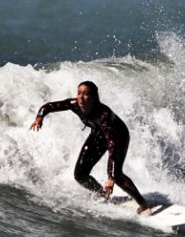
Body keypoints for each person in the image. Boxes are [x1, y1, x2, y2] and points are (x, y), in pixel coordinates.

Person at [29, 81, 150, 213]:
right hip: (98, 134)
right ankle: (103, 195)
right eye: (79, 93)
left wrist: (111, 178)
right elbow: (50, 106)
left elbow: (112, 144)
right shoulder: (74, 104)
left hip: (118, 136)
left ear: (94, 97)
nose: (80, 97)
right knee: (80, 174)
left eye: (86, 94)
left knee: (116, 175)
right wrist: (40, 117)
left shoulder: (103, 114)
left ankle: (143, 203)